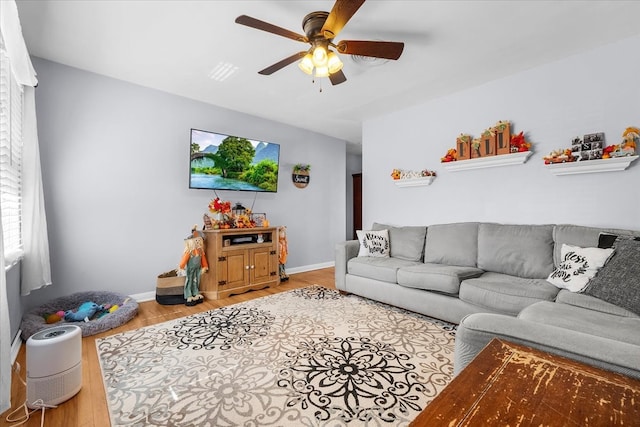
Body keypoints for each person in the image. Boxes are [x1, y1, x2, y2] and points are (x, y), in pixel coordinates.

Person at [179, 226, 208, 306]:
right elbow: (184, 260)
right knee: (189, 281)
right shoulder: (190, 252)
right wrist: (181, 268)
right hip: (190, 270)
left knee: (197, 281)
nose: (198, 242)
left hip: (197, 269)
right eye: (197, 240)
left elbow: (203, 259)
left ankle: (196, 293)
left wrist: (204, 266)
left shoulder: (200, 251)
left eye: (200, 240)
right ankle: (188, 295)